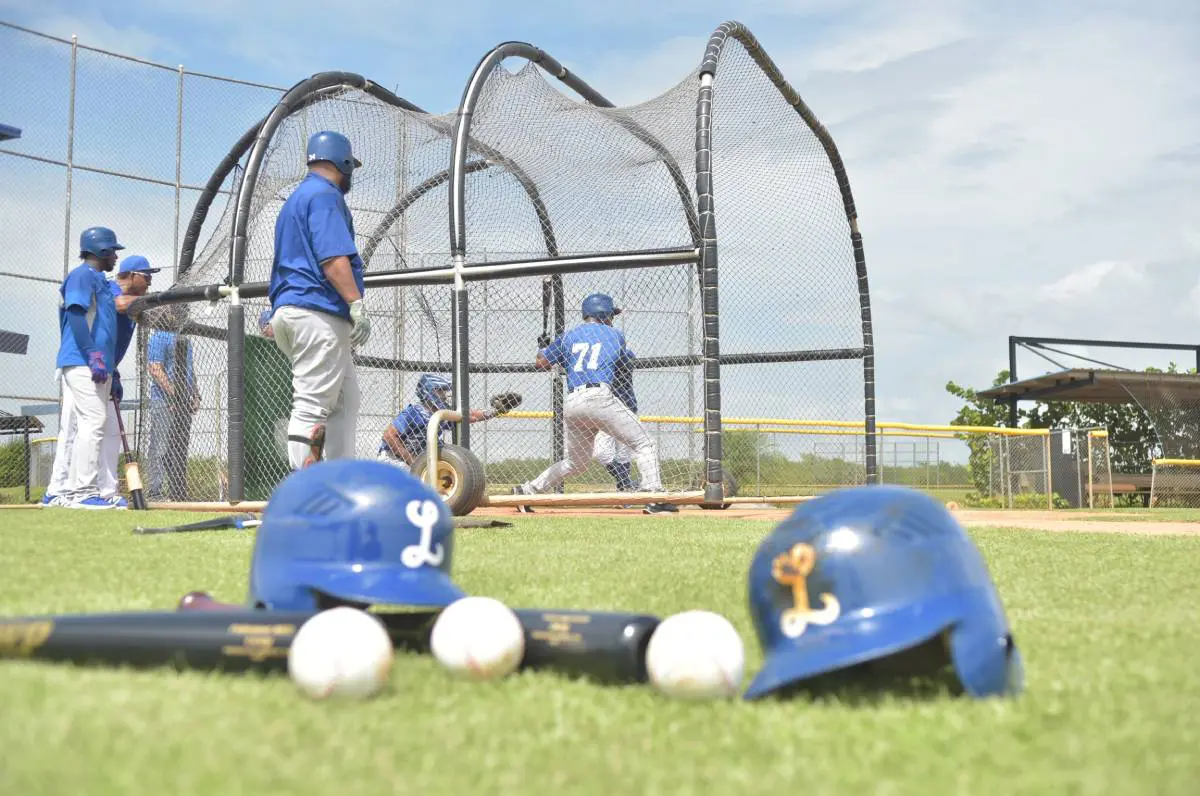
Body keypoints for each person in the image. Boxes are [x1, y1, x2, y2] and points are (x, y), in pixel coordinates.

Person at [512, 293, 677, 515]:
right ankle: (653, 495)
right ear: (606, 315)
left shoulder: (568, 336)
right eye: (612, 315)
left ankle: (528, 490)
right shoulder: (615, 335)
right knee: (644, 443)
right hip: (599, 397)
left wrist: (544, 348)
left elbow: (541, 362)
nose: (613, 319)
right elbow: (622, 360)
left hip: (572, 403)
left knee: (575, 463)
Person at [267, 130, 371, 470]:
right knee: (311, 405)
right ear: (341, 161)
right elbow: (332, 259)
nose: (350, 172)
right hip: (316, 313)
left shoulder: (297, 198)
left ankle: (338, 481)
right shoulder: (325, 195)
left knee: (345, 400)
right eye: (349, 165)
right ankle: (306, 494)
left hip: (297, 312)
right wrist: (355, 303)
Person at [377, 374, 498, 471]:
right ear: (429, 392)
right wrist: (413, 462)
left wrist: (495, 411)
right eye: (440, 391)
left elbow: (469, 416)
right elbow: (389, 436)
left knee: (443, 453)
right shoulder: (414, 412)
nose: (444, 395)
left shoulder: (441, 414)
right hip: (392, 460)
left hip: (414, 460)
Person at [145, 302, 200, 502]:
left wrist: (195, 394)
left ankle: (178, 491)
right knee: (160, 448)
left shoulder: (184, 338)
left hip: (183, 403)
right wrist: (174, 394)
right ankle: (155, 492)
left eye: (185, 309)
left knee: (180, 448)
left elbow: (190, 370)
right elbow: (155, 368)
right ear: (168, 312)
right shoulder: (159, 337)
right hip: (163, 401)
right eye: (178, 309)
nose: (183, 313)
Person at [243, 307, 294, 501]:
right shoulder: (258, 348)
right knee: (263, 451)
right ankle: (264, 491)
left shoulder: (288, 347)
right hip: (262, 412)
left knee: (287, 449)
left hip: (285, 409)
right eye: (270, 324)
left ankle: (287, 490)